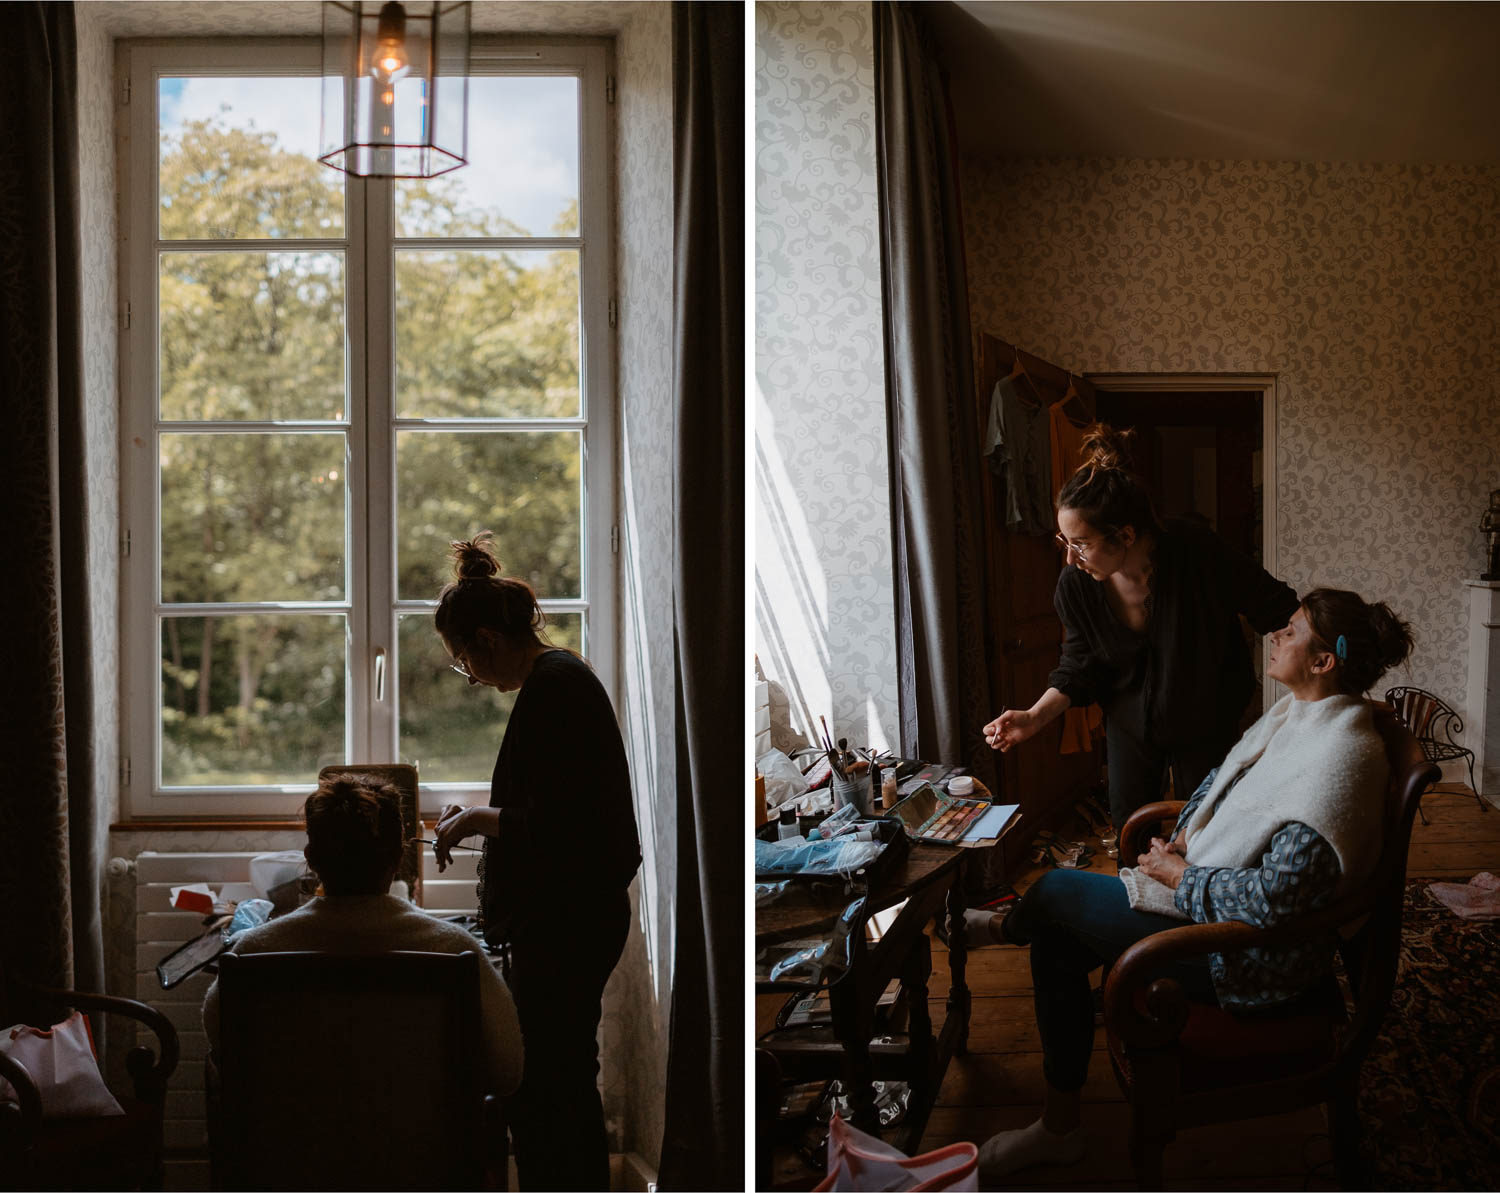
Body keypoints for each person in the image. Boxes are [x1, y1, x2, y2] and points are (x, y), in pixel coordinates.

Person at [975, 588, 1415, 1179]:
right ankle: (1060, 1126)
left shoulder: (1343, 759)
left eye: (1290, 631)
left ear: (1323, 661)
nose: (1274, 637)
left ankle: (1008, 928)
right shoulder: (1297, 715)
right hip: (1216, 906)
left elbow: (1275, 902)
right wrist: (1187, 837)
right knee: (1057, 936)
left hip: (1251, 956)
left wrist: (1182, 875)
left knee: (1055, 894)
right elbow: (1223, 783)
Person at [430, 532, 641, 1193]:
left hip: (569, 922)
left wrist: (475, 819)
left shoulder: (556, 688)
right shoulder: (558, 680)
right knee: (555, 1077)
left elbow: (561, 823)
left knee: (553, 1084)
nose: (473, 677)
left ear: (487, 640)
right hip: (568, 918)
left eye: (465, 662)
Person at [984, 424, 1300, 831]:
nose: (1070, 558)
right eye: (1065, 542)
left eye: (1081, 544)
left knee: (1208, 832)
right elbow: (1080, 664)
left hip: (1208, 723)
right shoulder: (1076, 586)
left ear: (1126, 535)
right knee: (1131, 831)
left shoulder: (1197, 551)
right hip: (1129, 729)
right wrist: (1034, 717)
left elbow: (1277, 608)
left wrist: (1319, 685)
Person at [202, 774, 523, 1096]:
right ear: (399, 859)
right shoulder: (451, 949)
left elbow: (227, 1052)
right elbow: (507, 1071)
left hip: (291, 1142)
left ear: (311, 858)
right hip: (422, 1143)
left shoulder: (253, 951)